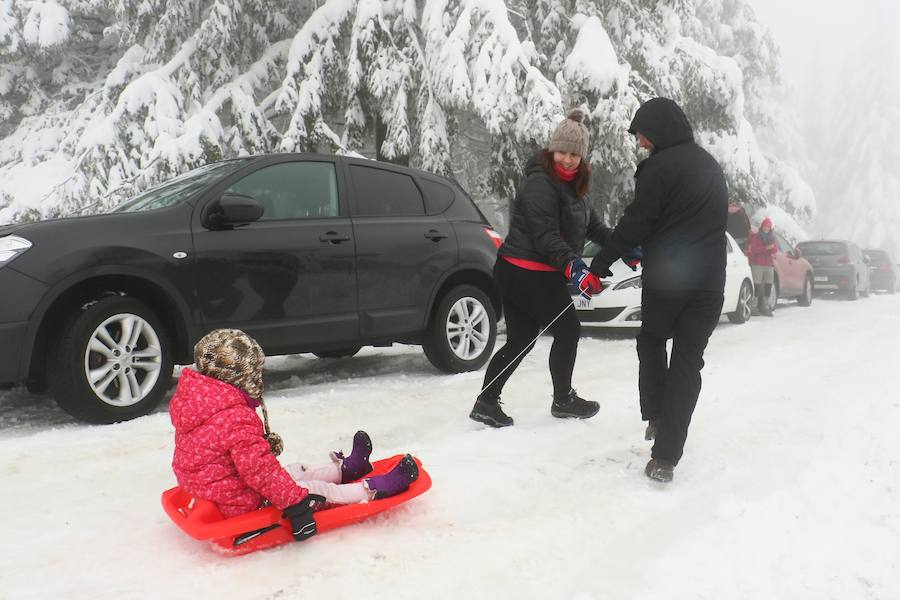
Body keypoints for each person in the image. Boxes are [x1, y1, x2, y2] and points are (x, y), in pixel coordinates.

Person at [588, 98, 728, 483]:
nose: (642, 143)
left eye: (644, 135)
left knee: (651, 340)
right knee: (687, 362)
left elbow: (636, 224)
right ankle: (665, 457)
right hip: (710, 284)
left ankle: (656, 414)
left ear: (659, 131)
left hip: (670, 282)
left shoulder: (659, 168)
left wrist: (599, 267)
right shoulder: (710, 165)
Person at [169, 329, 419, 532]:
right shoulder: (234, 417)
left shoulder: (197, 402)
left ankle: (345, 469)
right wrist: (296, 505)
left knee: (296, 471)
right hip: (240, 502)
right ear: (242, 376)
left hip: (218, 490)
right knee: (316, 491)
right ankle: (375, 488)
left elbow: (246, 463)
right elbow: (261, 473)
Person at [469, 109, 618, 428]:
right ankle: (563, 399)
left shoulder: (575, 187)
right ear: (552, 149)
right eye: (562, 151)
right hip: (527, 272)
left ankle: (486, 402)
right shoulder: (540, 183)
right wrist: (575, 269)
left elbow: (591, 226)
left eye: (574, 154)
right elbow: (546, 236)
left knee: (521, 338)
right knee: (569, 330)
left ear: (582, 156)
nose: (567, 159)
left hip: (525, 272)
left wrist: (622, 243)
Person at [747, 217, 777, 316]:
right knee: (757, 285)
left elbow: (775, 249)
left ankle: (765, 307)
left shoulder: (772, 237)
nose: (766, 228)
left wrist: (769, 249)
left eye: (768, 226)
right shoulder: (756, 237)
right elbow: (755, 250)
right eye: (765, 226)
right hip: (758, 264)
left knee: (769, 285)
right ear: (762, 226)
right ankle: (754, 306)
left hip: (769, 264)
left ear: (770, 228)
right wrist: (766, 248)